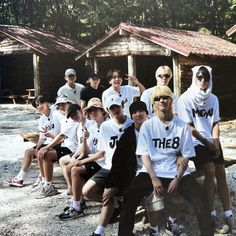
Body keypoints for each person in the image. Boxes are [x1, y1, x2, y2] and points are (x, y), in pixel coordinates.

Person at [118, 85, 214, 236]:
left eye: (165, 97)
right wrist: (154, 178)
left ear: (171, 100)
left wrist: (177, 178)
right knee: (130, 195)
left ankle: (208, 232)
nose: (161, 100)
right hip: (152, 171)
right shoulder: (148, 126)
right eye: (157, 98)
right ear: (153, 103)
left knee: (198, 197)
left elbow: (187, 155)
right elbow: (144, 155)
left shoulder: (182, 126)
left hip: (175, 172)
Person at [178, 65, 234, 233]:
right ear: (195, 78)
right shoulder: (185, 99)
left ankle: (228, 213)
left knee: (221, 172)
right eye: (200, 77)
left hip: (211, 139)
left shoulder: (213, 98)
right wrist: (206, 141)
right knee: (209, 171)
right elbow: (188, 127)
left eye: (206, 78)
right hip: (194, 141)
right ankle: (211, 214)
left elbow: (215, 122)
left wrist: (215, 141)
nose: (203, 81)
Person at [82, 94, 133, 236]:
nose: (115, 110)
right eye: (112, 108)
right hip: (109, 166)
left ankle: (100, 231)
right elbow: (103, 151)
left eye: (117, 106)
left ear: (122, 106)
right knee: (87, 191)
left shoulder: (132, 123)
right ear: (108, 111)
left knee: (107, 193)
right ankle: (116, 204)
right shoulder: (105, 126)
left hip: (126, 168)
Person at [58, 98, 107, 220]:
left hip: (106, 163)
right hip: (97, 160)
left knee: (75, 169)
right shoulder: (93, 127)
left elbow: (102, 153)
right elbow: (86, 151)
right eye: (90, 111)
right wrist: (85, 139)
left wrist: (81, 160)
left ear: (102, 111)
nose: (92, 113)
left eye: (95, 110)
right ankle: (77, 201)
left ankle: (77, 204)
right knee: (73, 167)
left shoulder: (107, 126)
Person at [4, 95, 62, 187]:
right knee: (29, 152)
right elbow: (42, 138)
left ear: (46, 103)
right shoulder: (42, 119)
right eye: (37, 105)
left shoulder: (56, 113)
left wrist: (50, 137)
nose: (39, 106)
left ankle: (43, 179)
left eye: (41, 103)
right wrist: (38, 147)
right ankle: (20, 178)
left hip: (58, 142)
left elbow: (63, 134)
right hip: (48, 143)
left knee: (40, 153)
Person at [35, 102, 82, 198]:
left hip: (72, 148)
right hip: (65, 145)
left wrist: (47, 147)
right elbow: (60, 136)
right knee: (40, 152)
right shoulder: (65, 117)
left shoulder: (73, 120)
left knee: (46, 154)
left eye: (64, 104)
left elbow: (61, 136)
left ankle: (49, 186)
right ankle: (44, 181)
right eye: (59, 105)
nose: (62, 107)